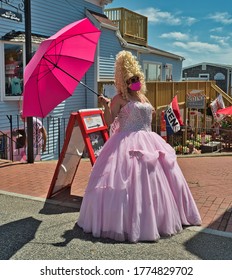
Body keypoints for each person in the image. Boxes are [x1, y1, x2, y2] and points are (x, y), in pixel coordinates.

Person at [77, 50, 201, 243]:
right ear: (122, 81)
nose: (133, 82)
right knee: (129, 183)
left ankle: (158, 218)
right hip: (126, 143)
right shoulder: (119, 98)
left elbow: (146, 116)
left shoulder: (143, 97)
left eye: (135, 78)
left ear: (139, 77)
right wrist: (105, 106)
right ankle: (130, 223)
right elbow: (110, 120)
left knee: (154, 183)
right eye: (129, 79)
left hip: (149, 141)